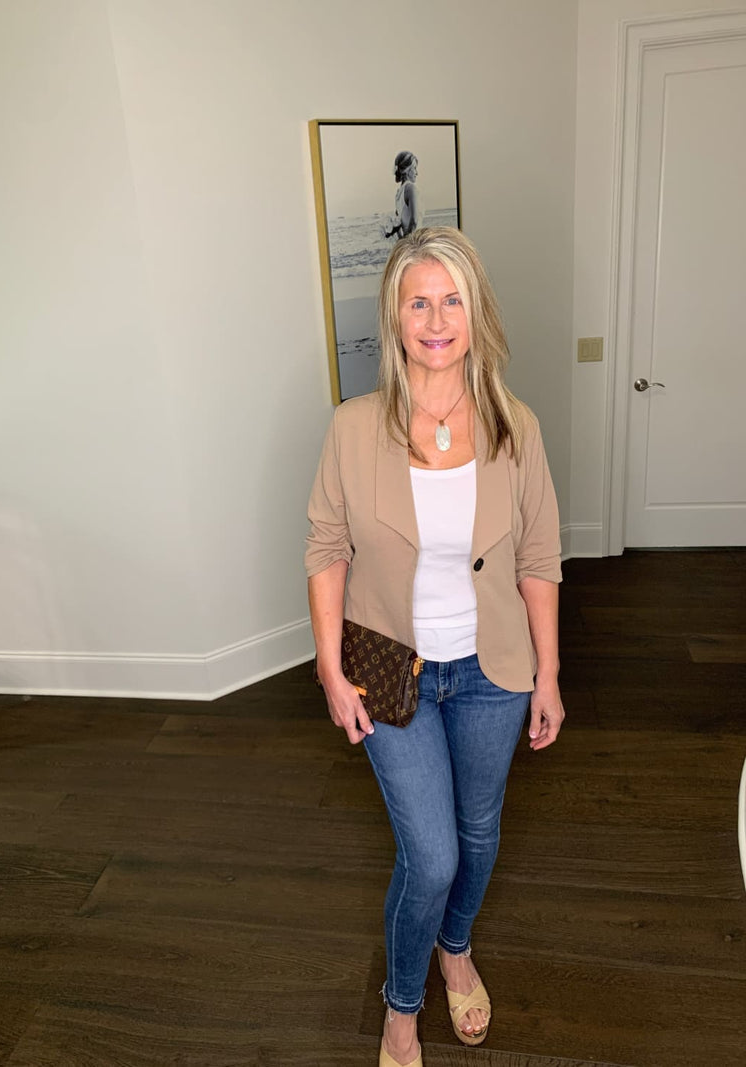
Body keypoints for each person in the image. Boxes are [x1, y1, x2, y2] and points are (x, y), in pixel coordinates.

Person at [305, 227, 565, 1067]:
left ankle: (456, 946)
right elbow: (327, 548)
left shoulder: (516, 426)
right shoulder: (353, 427)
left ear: (475, 311)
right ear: (396, 317)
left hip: (494, 672)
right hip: (391, 670)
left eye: (452, 299)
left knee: (479, 833)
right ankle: (402, 1004)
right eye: (418, 302)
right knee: (433, 853)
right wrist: (329, 667)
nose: (437, 319)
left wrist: (549, 675)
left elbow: (538, 559)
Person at [384, 151, 423, 240]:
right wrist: (407, 243)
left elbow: (398, 223)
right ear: (407, 170)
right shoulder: (410, 188)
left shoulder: (398, 193)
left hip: (408, 239)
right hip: (415, 240)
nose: (417, 173)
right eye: (414, 168)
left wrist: (402, 240)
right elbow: (414, 221)